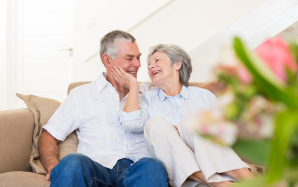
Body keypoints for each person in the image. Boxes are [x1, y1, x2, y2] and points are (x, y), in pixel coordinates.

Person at [38, 30, 169, 187]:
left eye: (138, 57)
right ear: (108, 60)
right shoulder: (81, 95)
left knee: (153, 167)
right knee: (71, 162)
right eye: (130, 58)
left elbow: (185, 93)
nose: (138, 64)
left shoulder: (150, 92)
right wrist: (53, 167)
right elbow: (49, 135)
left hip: (137, 170)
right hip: (96, 169)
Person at [113, 44, 254, 187]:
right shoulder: (146, 99)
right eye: (148, 65)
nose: (150, 67)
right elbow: (130, 123)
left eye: (156, 60)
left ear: (177, 64)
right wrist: (134, 86)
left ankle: (250, 181)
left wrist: (183, 132)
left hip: (218, 167)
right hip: (186, 179)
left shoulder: (204, 96)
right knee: (155, 124)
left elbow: (224, 135)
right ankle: (220, 184)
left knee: (190, 122)